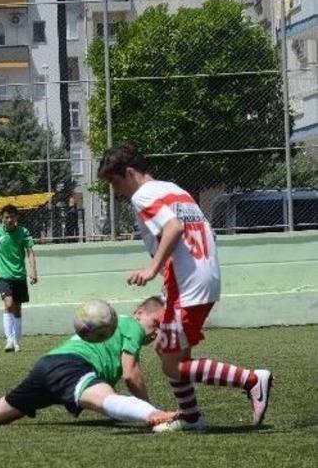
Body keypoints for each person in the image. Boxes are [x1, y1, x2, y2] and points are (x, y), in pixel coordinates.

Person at [97, 144, 272, 432]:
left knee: (170, 363)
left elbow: (174, 228)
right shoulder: (174, 189)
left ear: (128, 172)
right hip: (205, 276)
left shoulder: (143, 195)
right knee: (170, 351)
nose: (116, 190)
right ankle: (191, 417)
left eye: (115, 182)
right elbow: (204, 230)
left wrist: (152, 269)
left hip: (186, 285)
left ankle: (251, 380)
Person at [0, 297, 175, 431]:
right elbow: (131, 373)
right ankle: (156, 415)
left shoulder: (119, 325)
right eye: (156, 322)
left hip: (48, 365)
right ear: (140, 313)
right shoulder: (131, 325)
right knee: (105, 398)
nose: (156, 331)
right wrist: (151, 408)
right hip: (72, 366)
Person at [0, 204, 38, 352]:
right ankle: (9, 340)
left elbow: (30, 252)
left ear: (16, 218)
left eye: (12, 217)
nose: (9, 220)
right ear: (2, 218)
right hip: (3, 275)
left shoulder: (23, 232)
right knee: (8, 304)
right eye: (6, 217)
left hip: (19, 275)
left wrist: (33, 271)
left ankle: (16, 340)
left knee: (18, 308)